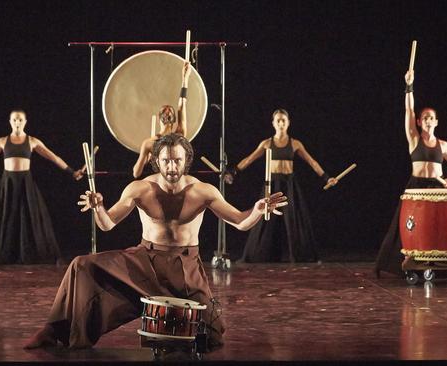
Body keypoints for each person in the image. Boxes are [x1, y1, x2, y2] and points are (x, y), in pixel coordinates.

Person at [25, 133, 288, 350]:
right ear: (156, 161)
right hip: (144, 261)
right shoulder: (139, 188)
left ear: (186, 161)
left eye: (177, 161)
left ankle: (168, 322)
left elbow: (240, 222)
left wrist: (256, 210)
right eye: (166, 161)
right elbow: (107, 225)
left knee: (212, 336)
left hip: (185, 267)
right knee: (81, 265)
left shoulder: (204, 191)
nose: (172, 167)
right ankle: (53, 329)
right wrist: (99, 208)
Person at [0, 109, 84, 264]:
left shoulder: (32, 141)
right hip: (7, 184)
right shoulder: (2, 141)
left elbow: (54, 157)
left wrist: (72, 172)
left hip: (25, 183)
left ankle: (32, 253)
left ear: (25, 122)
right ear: (10, 122)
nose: (17, 123)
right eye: (14, 120)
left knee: (29, 218)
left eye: (20, 120)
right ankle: (4, 254)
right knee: (4, 218)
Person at [374, 70, 447, 277]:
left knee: (438, 226)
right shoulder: (414, 139)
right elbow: (409, 109)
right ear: (420, 122)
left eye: (432, 118)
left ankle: (440, 267)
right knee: (408, 225)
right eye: (425, 118)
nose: (429, 120)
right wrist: (409, 86)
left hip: (438, 187)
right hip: (416, 185)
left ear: (436, 122)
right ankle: (404, 263)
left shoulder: (444, 145)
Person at [224, 109, 337, 263]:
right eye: (278, 120)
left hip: (289, 184)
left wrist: (326, 177)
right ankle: (257, 255)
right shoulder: (266, 143)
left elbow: (312, 162)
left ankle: (302, 256)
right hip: (271, 183)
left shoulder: (295, 143)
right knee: (265, 218)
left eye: (284, 120)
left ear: (288, 122)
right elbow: (249, 159)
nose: (281, 123)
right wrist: (233, 171)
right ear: (273, 123)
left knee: (295, 219)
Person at [132, 62, 190, 178]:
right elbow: (136, 173)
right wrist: (144, 159)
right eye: (164, 110)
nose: (167, 111)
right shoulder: (148, 143)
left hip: (178, 179)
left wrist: (185, 79)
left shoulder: (179, 134)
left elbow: (182, 105)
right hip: (161, 180)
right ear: (159, 118)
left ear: (174, 119)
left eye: (170, 110)